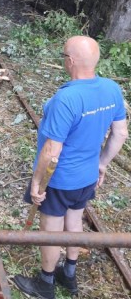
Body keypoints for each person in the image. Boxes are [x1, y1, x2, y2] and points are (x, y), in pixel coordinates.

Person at [13, 36, 128, 299]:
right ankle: (70, 274)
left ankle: (45, 283)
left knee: (51, 230)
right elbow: (120, 133)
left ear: (71, 61)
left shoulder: (67, 98)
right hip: (87, 176)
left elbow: (52, 151)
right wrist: (101, 164)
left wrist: (36, 182)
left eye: (64, 55)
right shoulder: (111, 89)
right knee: (74, 220)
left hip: (60, 179)